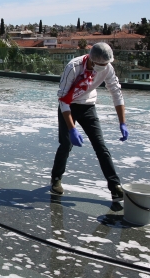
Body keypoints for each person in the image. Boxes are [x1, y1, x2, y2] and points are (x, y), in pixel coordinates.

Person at [50, 42, 128, 201]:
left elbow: (116, 92)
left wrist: (122, 122)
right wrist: (72, 129)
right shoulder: (74, 67)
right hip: (69, 105)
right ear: (92, 60)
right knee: (66, 144)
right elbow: (63, 99)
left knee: (100, 145)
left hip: (88, 106)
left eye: (106, 64)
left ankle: (115, 186)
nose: (103, 67)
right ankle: (56, 179)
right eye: (100, 64)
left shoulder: (107, 68)